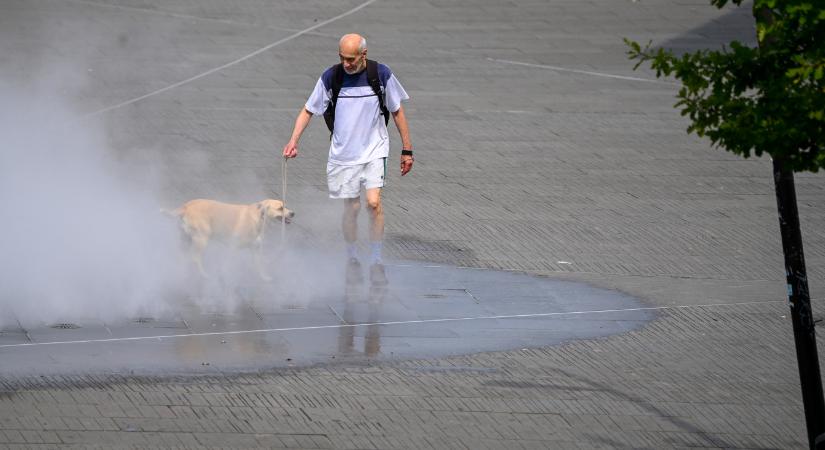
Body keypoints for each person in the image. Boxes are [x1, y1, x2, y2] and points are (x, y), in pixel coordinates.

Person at [283, 33, 413, 286]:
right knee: (351, 208)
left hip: (374, 150)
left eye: (351, 59)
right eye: (342, 57)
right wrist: (293, 140)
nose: (346, 63)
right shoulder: (332, 77)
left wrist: (407, 150)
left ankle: (375, 262)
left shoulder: (381, 74)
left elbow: (397, 110)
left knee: (373, 204)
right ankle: (352, 259)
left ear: (363, 55)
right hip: (343, 154)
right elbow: (309, 109)